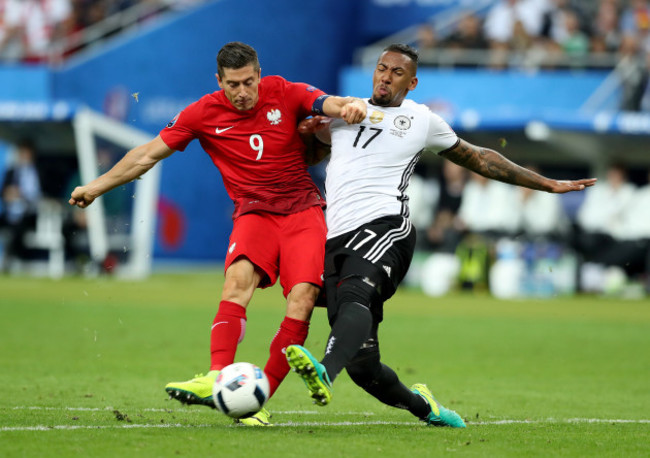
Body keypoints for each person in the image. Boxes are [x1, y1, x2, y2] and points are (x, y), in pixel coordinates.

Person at [286, 43, 596, 427]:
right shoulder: (344, 112)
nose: (385, 76)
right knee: (364, 367)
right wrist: (308, 134)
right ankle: (426, 408)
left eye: (396, 72)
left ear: (412, 82)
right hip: (337, 235)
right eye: (381, 68)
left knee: (355, 294)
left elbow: (480, 157)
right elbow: (309, 154)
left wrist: (547, 184)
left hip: (387, 226)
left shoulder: (421, 120)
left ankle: (324, 372)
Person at [69, 41, 367, 426]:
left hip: (303, 212)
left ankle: (253, 399)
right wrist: (95, 187)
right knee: (236, 282)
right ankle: (216, 377)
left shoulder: (284, 91)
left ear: (259, 74)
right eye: (233, 85)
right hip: (253, 212)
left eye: (248, 82)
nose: (242, 92)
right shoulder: (202, 113)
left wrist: (350, 105)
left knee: (303, 299)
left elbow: (326, 102)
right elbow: (146, 154)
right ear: (219, 81)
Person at [0, 140, 42, 272]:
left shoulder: (37, 172)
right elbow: (3, 193)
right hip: (9, 213)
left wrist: (22, 195)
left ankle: (14, 259)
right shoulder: (11, 171)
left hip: (28, 214)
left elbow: (37, 196)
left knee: (18, 229)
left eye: (26, 153)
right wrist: (9, 194)